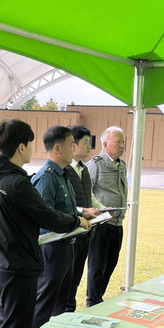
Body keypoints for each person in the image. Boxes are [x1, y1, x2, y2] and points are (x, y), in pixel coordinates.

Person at [0, 119, 89, 328]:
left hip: (5, 262)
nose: (34, 149)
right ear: (21, 147)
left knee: (10, 322)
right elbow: (47, 216)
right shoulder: (17, 183)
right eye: (31, 143)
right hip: (18, 265)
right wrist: (77, 221)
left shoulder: (0, 176)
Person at [31, 125, 91, 328]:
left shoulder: (62, 174)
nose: (74, 148)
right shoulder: (46, 177)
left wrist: (81, 216)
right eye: (71, 144)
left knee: (61, 302)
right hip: (52, 248)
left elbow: (64, 209)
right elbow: (45, 217)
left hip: (67, 246)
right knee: (45, 302)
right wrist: (76, 221)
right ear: (57, 148)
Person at [86, 126, 128, 307]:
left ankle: (99, 297)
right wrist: (101, 209)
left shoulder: (121, 165)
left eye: (123, 142)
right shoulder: (96, 164)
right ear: (105, 144)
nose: (122, 145)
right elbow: (86, 191)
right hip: (101, 223)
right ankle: (93, 301)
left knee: (111, 263)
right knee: (97, 265)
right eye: (118, 142)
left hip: (117, 223)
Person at [63, 124, 103, 312]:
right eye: (86, 142)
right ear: (73, 145)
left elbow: (89, 196)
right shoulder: (63, 171)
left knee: (76, 276)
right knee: (65, 278)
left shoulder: (84, 169)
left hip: (85, 231)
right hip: (69, 233)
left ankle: (69, 309)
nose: (89, 147)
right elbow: (61, 205)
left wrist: (102, 209)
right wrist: (82, 211)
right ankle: (63, 311)